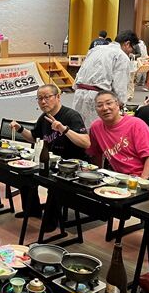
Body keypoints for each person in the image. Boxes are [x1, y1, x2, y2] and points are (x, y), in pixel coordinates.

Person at [10, 84, 90, 232]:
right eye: (40, 98)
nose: (43, 102)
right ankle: (33, 210)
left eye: (47, 97)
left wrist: (63, 129)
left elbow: (86, 142)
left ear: (58, 97)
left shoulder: (71, 116)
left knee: (54, 183)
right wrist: (20, 129)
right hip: (51, 162)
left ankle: (51, 221)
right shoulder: (44, 117)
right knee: (25, 175)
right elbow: (34, 137)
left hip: (72, 165)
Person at [87, 90, 149, 187]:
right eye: (99, 105)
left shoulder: (136, 124)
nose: (105, 108)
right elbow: (95, 154)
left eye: (109, 103)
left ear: (118, 105)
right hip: (122, 177)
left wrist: (141, 181)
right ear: (95, 110)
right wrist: (97, 175)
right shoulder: (96, 127)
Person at [72, 30, 136, 128]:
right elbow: (120, 85)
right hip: (98, 97)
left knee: (77, 128)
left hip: (79, 93)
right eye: (132, 48)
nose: (131, 52)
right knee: (95, 131)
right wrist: (120, 104)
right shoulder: (121, 56)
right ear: (127, 44)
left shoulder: (95, 49)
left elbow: (81, 70)